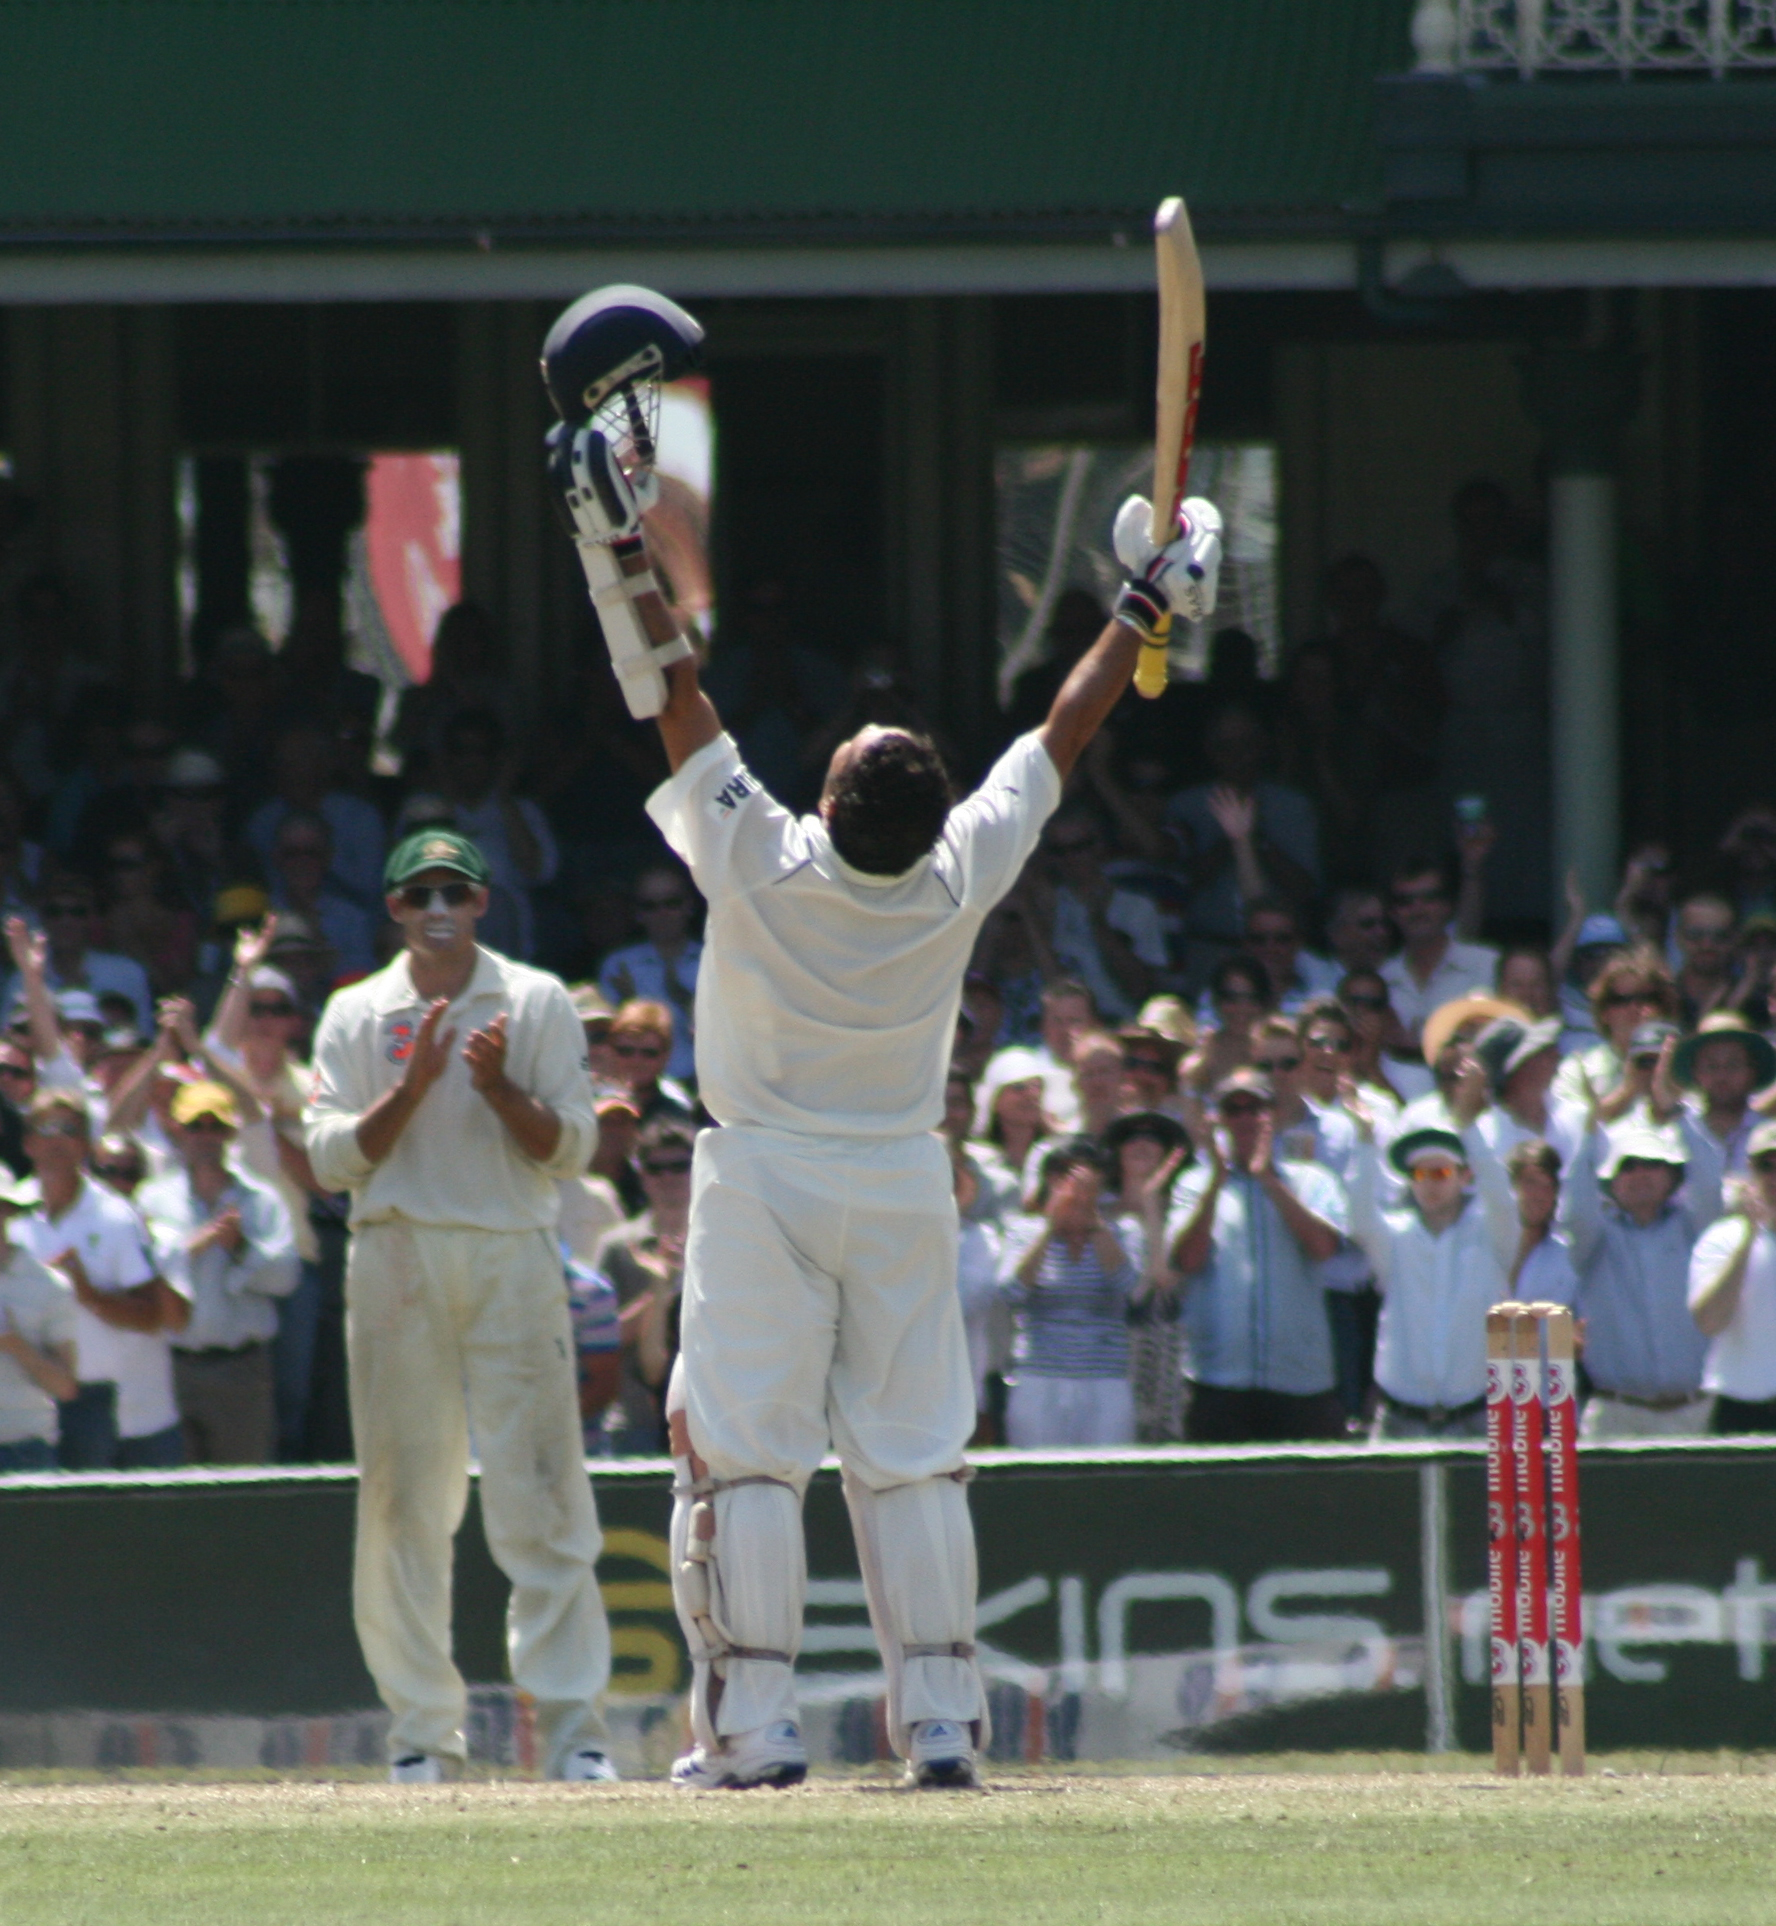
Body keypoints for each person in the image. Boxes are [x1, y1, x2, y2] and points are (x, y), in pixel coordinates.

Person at [635, 472, 1220, 1789]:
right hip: (902, 1179)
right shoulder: (959, 869)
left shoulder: (759, 856)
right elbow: (1066, 730)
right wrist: (1139, 604)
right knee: (910, 1458)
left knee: (744, 1456)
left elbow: (678, 700)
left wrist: (623, 558)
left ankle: (751, 1732)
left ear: (832, 803)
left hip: (765, 1173)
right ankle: (945, 1727)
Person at [302, 827, 617, 1785]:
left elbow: (570, 1148)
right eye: (419, 894)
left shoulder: (533, 1000)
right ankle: (421, 1740)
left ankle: (574, 1737)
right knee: (403, 1503)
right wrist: (415, 1088)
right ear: (392, 907)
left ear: (484, 902)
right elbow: (329, 1160)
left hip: (512, 1252)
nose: (438, 909)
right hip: (396, 1255)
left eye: (456, 891)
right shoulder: (358, 1012)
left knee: (544, 1491)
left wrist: (494, 1086)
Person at [1166, 1068, 1346, 1443]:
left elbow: (1323, 1248)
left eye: (1256, 1108)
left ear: (1275, 1115)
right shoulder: (1194, 1183)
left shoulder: (1312, 1180)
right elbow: (1187, 1260)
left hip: (1299, 1381)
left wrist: (1269, 1179)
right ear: (1218, 1119)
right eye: (1235, 1108)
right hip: (1218, 1381)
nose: (1245, 1118)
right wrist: (1216, 1180)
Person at [18, 1089, 188, 1469]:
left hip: (100, 1402)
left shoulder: (116, 1217)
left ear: (86, 1145)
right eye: (46, 1128)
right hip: (25, 1403)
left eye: (70, 1128)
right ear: (28, 1142)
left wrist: (87, 1293)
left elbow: (151, 1316)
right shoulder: (10, 1213)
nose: (58, 1138)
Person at [138, 1080, 298, 1464]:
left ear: (231, 1133)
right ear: (177, 1130)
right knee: (173, 1496)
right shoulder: (152, 1198)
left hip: (241, 1370)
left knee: (241, 1493)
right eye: (196, 1126)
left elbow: (286, 1278)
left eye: (216, 1127)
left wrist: (241, 1247)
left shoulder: (262, 1200)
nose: (206, 1137)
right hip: (170, 1368)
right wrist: (195, 1244)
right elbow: (139, 1276)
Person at [1346, 1108, 1522, 1440]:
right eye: (1420, 1174)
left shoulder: (1490, 1236)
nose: (1430, 1184)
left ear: (1464, 1176)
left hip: (1476, 1417)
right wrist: (1366, 1140)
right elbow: (1360, 1218)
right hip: (1400, 1418)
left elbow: (1502, 1201)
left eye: (1440, 1172)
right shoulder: (1394, 1239)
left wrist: (1469, 1128)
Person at [1561, 1121, 1712, 1439]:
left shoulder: (1696, 1231)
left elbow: (1710, 1184)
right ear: (1610, 1181)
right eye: (1627, 1166)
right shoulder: (1592, 1240)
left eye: (1653, 1164)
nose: (1641, 1173)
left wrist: (1679, 1116)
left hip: (1694, 1413)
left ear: (1673, 1176)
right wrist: (1588, 1135)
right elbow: (1576, 1209)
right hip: (1616, 1415)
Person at [997, 1138, 1146, 1449]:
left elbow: (1131, 1291)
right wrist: (1050, 1229)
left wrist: (1094, 1223)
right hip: (1040, 1376)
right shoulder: (1025, 1231)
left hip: (1105, 1379)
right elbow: (1011, 1292)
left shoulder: (1124, 1231)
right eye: (1064, 1174)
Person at [1689, 1120, 1776, 1434]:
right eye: (1767, 1165)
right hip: (1739, 1408)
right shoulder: (1722, 1239)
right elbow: (1709, 1321)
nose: (1774, 1176)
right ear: (1750, 1171)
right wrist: (1749, 1236)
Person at [1379, 853, 1499, 1052]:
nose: (1418, 909)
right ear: (1392, 912)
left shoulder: (1488, 964)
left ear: (1448, 906)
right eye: (1405, 901)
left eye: (1429, 898)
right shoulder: (1381, 978)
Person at [0, 1168, 78, 1472]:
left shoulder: (48, 1285)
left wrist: (14, 1343)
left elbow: (66, 1387)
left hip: (23, 1450)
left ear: (7, 1211)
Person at [598, 863, 702, 1087]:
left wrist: (687, 1003)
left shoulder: (712, 962)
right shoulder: (619, 964)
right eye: (650, 906)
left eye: (672, 903)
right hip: (640, 1085)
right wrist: (629, 1005)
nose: (662, 913)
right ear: (638, 914)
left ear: (690, 906)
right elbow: (604, 1038)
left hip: (706, 1086)